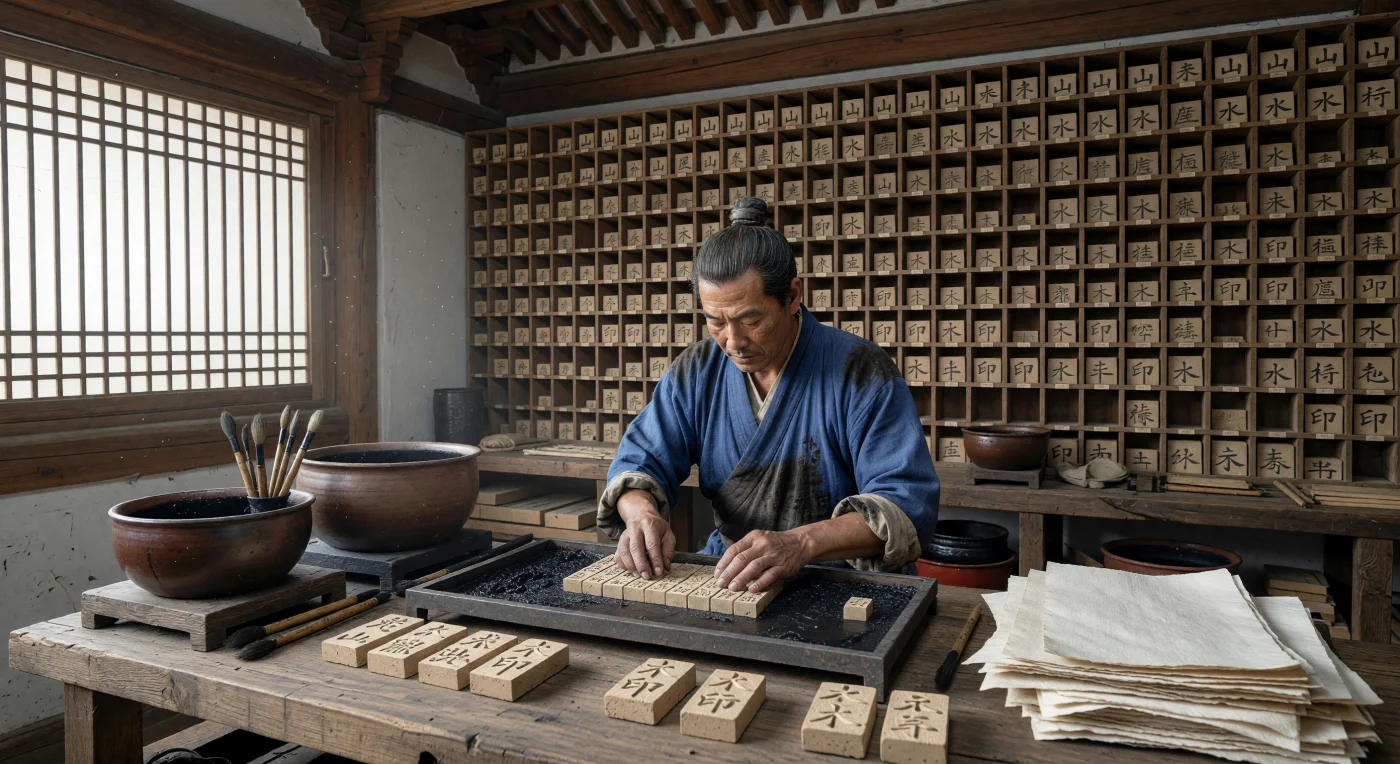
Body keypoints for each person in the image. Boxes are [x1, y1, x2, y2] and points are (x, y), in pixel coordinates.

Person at [597, 196, 940, 593]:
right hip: (734, 576)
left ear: (792, 296)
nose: (733, 341)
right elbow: (639, 460)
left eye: (751, 320)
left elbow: (906, 503)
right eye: (715, 322)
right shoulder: (698, 370)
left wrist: (801, 543)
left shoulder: (859, 370)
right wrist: (640, 514)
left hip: (846, 582)